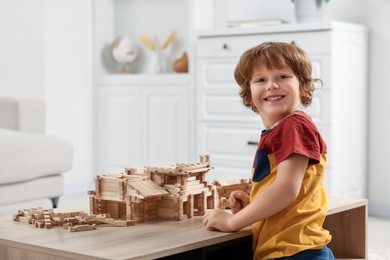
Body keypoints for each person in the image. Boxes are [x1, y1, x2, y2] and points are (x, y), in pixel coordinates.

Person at [202, 41, 335, 259]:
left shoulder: (294, 125)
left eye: (282, 76)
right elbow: (289, 192)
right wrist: (253, 206)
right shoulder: (281, 129)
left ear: (303, 85)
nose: (272, 85)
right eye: (261, 79)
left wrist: (232, 221)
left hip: (295, 252)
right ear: (248, 94)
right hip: (287, 249)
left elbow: (285, 189)